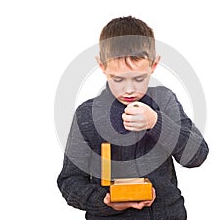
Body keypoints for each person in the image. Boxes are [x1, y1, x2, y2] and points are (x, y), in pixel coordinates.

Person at [57, 16, 209, 220]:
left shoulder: (163, 101)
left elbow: (197, 155)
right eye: (118, 79)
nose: (129, 89)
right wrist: (106, 201)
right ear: (102, 67)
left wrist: (156, 123)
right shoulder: (87, 115)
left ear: (153, 66)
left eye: (139, 78)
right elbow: (69, 181)